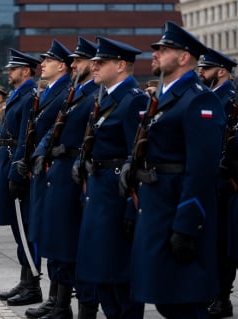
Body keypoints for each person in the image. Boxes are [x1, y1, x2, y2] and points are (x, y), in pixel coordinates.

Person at [125, 20, 225, 317]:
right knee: (166, 297)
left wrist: (186, 225)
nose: (155, 54)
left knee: (184, 301)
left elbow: (202, 169)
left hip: (177, 210)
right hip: (157, 207)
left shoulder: (199, 99)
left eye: (165, 49)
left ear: (184, 57)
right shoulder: (164, 98)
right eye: (157, 49)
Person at [74, 36, 148, 319]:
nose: (94, 67)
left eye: (100, 62)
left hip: (117, 199)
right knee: (101, 274)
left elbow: (138, 156)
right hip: (99, 194)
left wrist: (132, 207)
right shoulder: (104, 97)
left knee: (120, 278)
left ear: (120, 66)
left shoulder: (132, 100)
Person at [30, 37, 100, 319]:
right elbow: (52, 128)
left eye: (79, 60)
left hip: (75, 177)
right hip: (58, 174)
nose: (74, 64)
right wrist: (42, 150)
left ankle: (72, 307)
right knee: (56, 241)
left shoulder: (95, 94)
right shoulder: (75, 92)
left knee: (71, 246)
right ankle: (58, 304)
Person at [16, 39, 74, 317]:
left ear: (62, 66)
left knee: (55, 237)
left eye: (47, 61)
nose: (42, 65)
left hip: (53, 171)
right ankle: (53, 298)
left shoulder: (65, 92)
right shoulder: (50, 90)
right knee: (44, 233)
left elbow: (54, 131)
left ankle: (58, 300)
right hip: (41, 169)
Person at [0, 48, 44, 307]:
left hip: (16, 164)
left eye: (13, 69)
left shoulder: (30, 96)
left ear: (25, 71)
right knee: (16, 227)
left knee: (25, 228)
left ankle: (33, 283)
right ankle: (25, 280)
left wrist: (17, 170)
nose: (8, 73)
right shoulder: (17, 94)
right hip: (7, 160)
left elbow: (26, 138)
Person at [198, 48, 237, 319]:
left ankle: (222, 299)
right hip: (213, 180)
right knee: (213, 241)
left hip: (226, 182)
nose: (201, 73)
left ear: (221, 71)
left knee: (224, 243)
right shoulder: (210, 97)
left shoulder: (229, 99)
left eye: (206, 69)